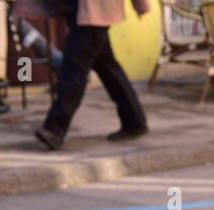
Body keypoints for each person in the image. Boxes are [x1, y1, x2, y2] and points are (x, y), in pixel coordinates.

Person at [35, 0, 150, 150]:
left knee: (74, 70)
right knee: (107, 68)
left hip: (94, 12)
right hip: (85, 12)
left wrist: (141, 4)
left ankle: (55, 128)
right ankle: (134, 121)